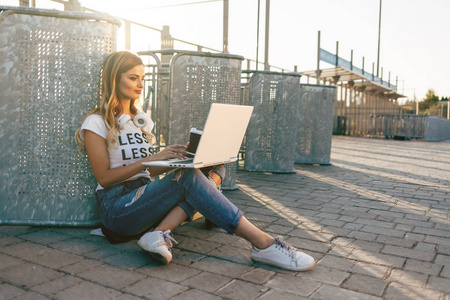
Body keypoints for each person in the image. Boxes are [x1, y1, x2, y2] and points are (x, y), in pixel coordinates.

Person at [75, 51, 315, 272]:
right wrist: (152, 158)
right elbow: (104, 178)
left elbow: (148, 171)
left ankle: (158, 233)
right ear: (114, 79)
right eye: (133, 78)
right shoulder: (96, 122)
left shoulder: (142, 121)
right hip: (116, 206)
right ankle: (263, 243)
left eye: (143, 78)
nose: (140, 84)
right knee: (191, 180)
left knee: (212, 168)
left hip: (144, 196)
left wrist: (177, 160)